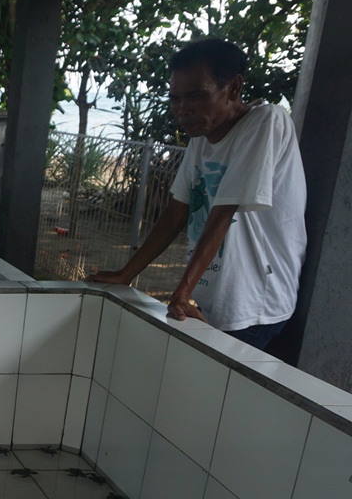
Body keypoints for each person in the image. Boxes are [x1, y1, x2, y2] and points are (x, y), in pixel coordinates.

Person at [86, 38, 306, 351]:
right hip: (214, 298)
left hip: (254, 305)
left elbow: (223, 212)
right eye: (175, 99)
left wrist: (182, 291)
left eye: (196, 96)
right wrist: (126, 274)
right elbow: (178, 209)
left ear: (234, 88)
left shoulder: (266, 121)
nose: (182, 110)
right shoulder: (202, 134)